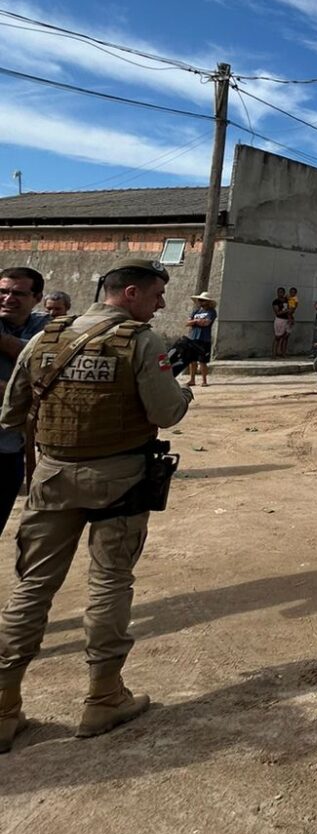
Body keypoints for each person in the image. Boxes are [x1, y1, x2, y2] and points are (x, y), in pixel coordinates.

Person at [0, 261, 192, 753]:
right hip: (120, 482)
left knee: (32, 587)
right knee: (109, 582)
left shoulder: (46, 337)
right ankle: (103, 697)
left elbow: (11, 413)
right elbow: (166, 411)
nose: (161, 305)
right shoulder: (142, 342)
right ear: (130, 294)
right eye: (156, 295)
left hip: (52, 477)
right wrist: (183, 392)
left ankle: (3, 707)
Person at [0, 268, 48, 535]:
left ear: (37, 297)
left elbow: (43, 359)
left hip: (11, 448)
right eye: (3, 291)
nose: (8, 299)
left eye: (18, 293)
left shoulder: (47, 328)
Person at [184, 291, 218, 389]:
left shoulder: (211, 312)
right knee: (192, 360)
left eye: (202, 300)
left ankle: (204, 380)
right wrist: (197, 321)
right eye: (200, 300)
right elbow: (187, 322)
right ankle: (192, 379)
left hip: (204, 338)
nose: (200, 302)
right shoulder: (196, 311)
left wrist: (194, 322)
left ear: (208, 302)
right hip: (193, 337)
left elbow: (206, 323)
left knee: (203, 361)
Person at [272, 287, 291, 358]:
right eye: (279, 292)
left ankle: (283, 353)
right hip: (280, 319)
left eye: (281, 292)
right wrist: (285, 311)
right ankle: (274, 354)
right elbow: (277, 312)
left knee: (286, 337)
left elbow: (291, 309)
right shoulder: (276, 301)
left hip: (287, 319)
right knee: (278, 337)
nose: (280, 294)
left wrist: (290, 318)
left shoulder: (287, 301)